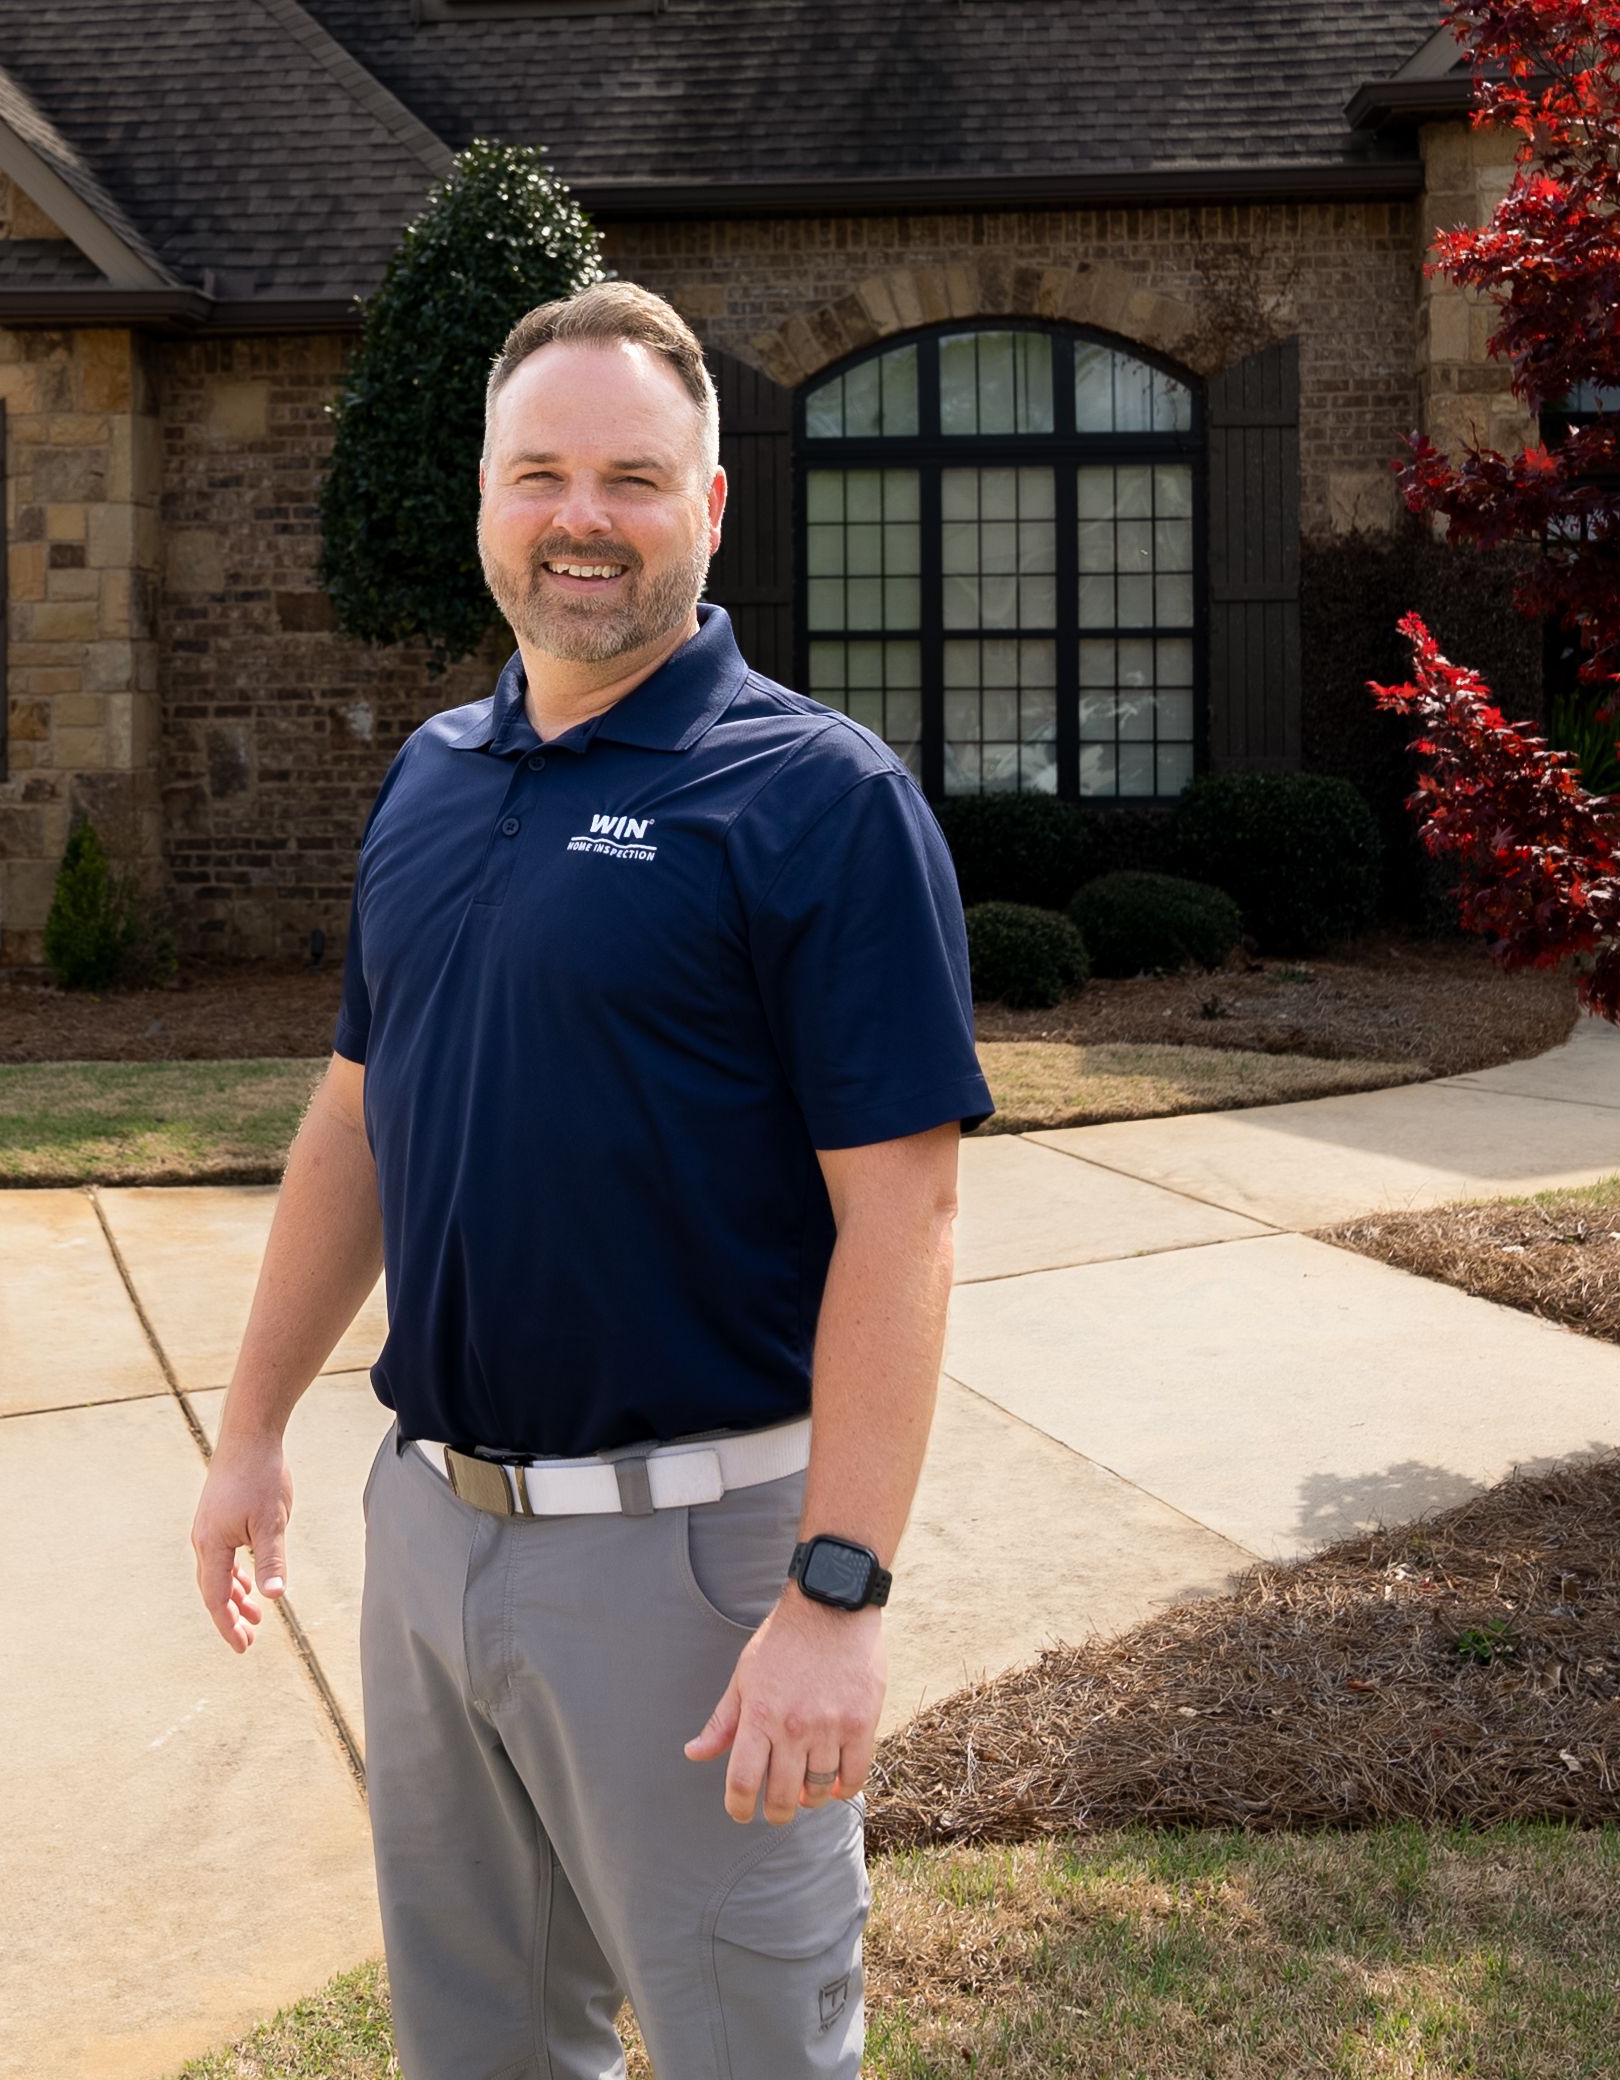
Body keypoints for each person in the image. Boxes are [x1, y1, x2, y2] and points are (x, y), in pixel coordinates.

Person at [187, 279, 988, 2079]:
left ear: (710, 508)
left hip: (695, 1573)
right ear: (484, 500)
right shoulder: (435, 776)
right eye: (538, 472)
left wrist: (836, 1594)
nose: (580, 517)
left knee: (746, 2052)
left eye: (633, 476)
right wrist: (251, 1431)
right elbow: (357, 1119)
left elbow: (906, 1217)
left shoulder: (815, 800)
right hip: (432, 1533)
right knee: (473, 2049)